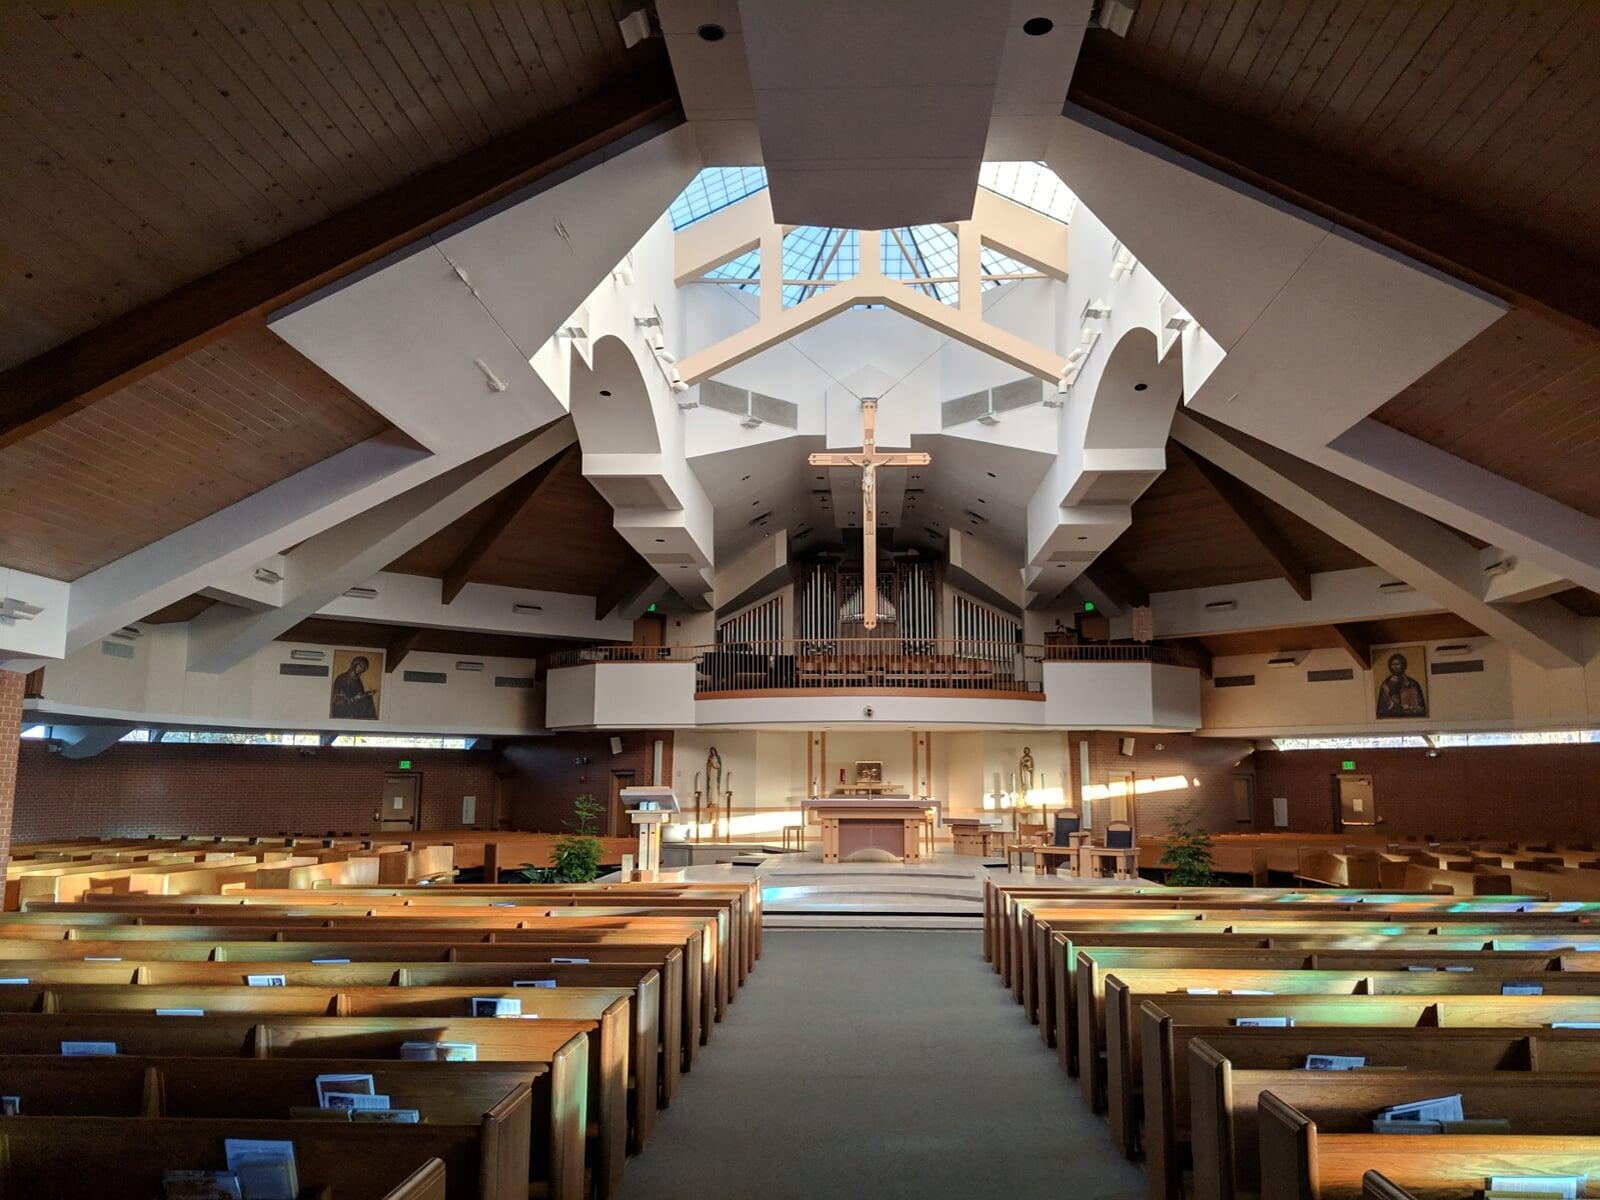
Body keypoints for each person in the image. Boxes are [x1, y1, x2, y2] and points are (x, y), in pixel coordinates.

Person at [1375, 652, 1427, 719]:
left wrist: (1409, 708)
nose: (1395, 666)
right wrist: (1391, 706)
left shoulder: (1412, 683)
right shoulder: (1385, 685)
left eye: (1398, 664)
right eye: (1393, 664)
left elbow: (1422, 710)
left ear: (1404, 666)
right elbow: (1380, 712)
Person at [330, 655, 379, 720]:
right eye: (360, 666)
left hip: (354, 708)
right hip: (344, 710)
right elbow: (339, 702)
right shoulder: (342, 679)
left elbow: (360, 695)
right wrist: (354, 699)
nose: (361, 670)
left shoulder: (358, 681)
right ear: (354, 665)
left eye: (364, 669)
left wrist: (367, 694)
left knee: (368, 699)